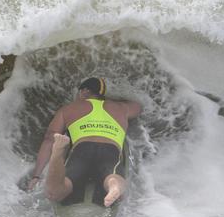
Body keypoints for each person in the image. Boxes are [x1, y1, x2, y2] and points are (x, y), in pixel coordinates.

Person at [27, 77, 142, 207]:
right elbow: (138, 107)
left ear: (84, 91)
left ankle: (57, 155)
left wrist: (36, 176)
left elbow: (49, 138)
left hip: (82, 149)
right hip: (110, 148)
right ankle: (114, 188)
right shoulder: (121, 108)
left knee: (57, 192)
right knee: (112, 174)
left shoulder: (69, 108)